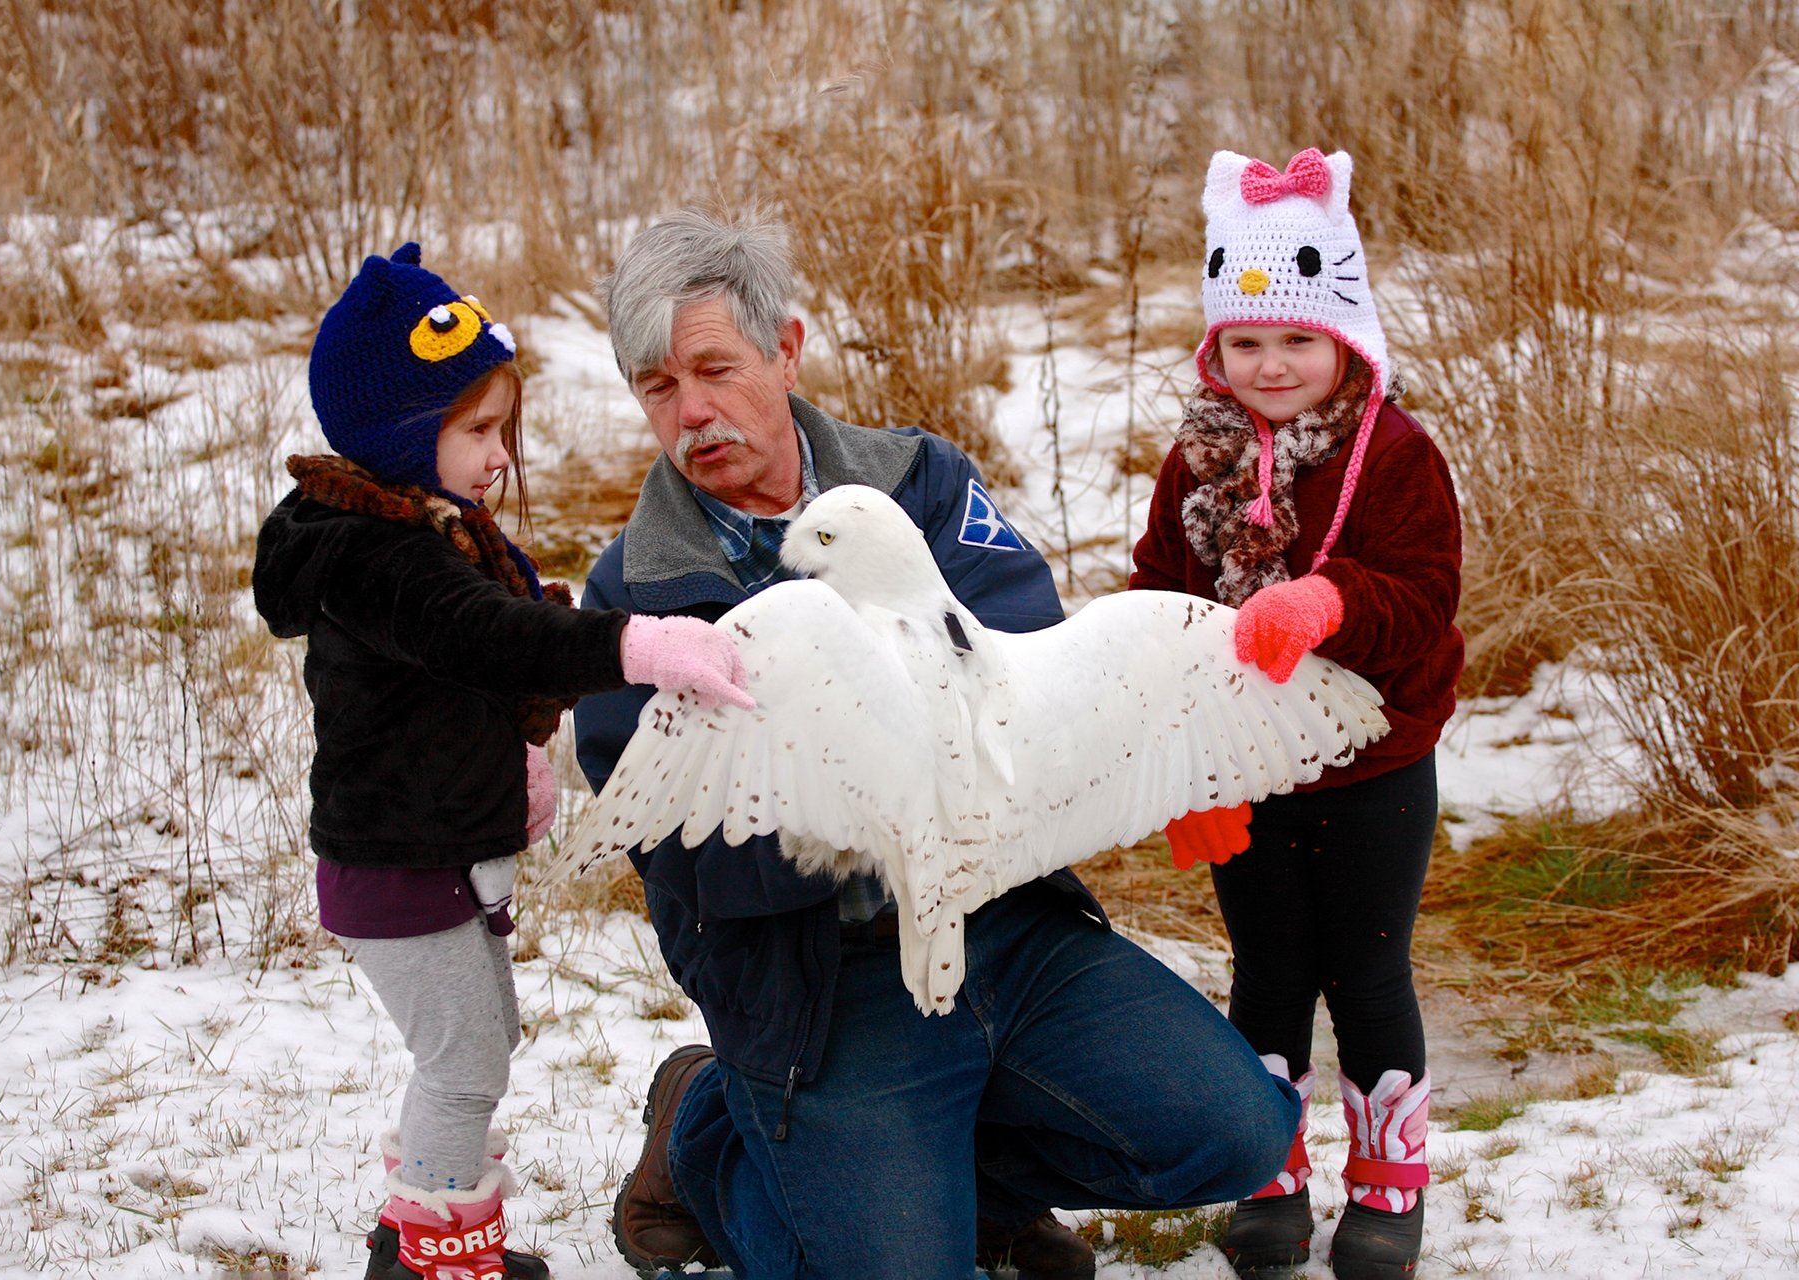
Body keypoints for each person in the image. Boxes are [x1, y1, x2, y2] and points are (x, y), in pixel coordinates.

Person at [573, 208, 1302, 1280]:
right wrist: (877, 814)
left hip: (1005, 922)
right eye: (657, 387)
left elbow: (1024, 665)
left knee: (1238, 1130)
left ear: (786, 347)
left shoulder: (921, 484)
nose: (693, 413)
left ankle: (968, 1186)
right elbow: (687, 848)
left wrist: (933, 800)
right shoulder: (635, 595)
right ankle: (713, 1140)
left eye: (714, 368)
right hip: (825, 985)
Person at [252, 243, 753, 1280]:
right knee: (466, 1058)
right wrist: (640, 645)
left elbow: (494, 628)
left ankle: (424, 1226)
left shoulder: (418, 535)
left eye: (501, 428)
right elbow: (492, 638)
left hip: (426, 856)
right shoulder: (376, 559)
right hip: (399, 865)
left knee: (480, 1043)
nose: (498, 456)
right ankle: (441, 1261)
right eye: (477, 430)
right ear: (400, 434)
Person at [1129, 149, 1464, 1280]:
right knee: (1268, 968)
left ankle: (1389, 1182)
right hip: (1247, 768)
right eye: (1246, 341)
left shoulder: (1398, 457)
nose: (1272, 365)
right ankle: (1269, 1171)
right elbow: (1160, 600)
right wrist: (1180, 758)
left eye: (1299, 339)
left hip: (1373, 760)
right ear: (1216, 347)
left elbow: (1423, 597)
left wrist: (1330, 598)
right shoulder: (1197, 463)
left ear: (1347, 340)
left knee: (1367, 970)